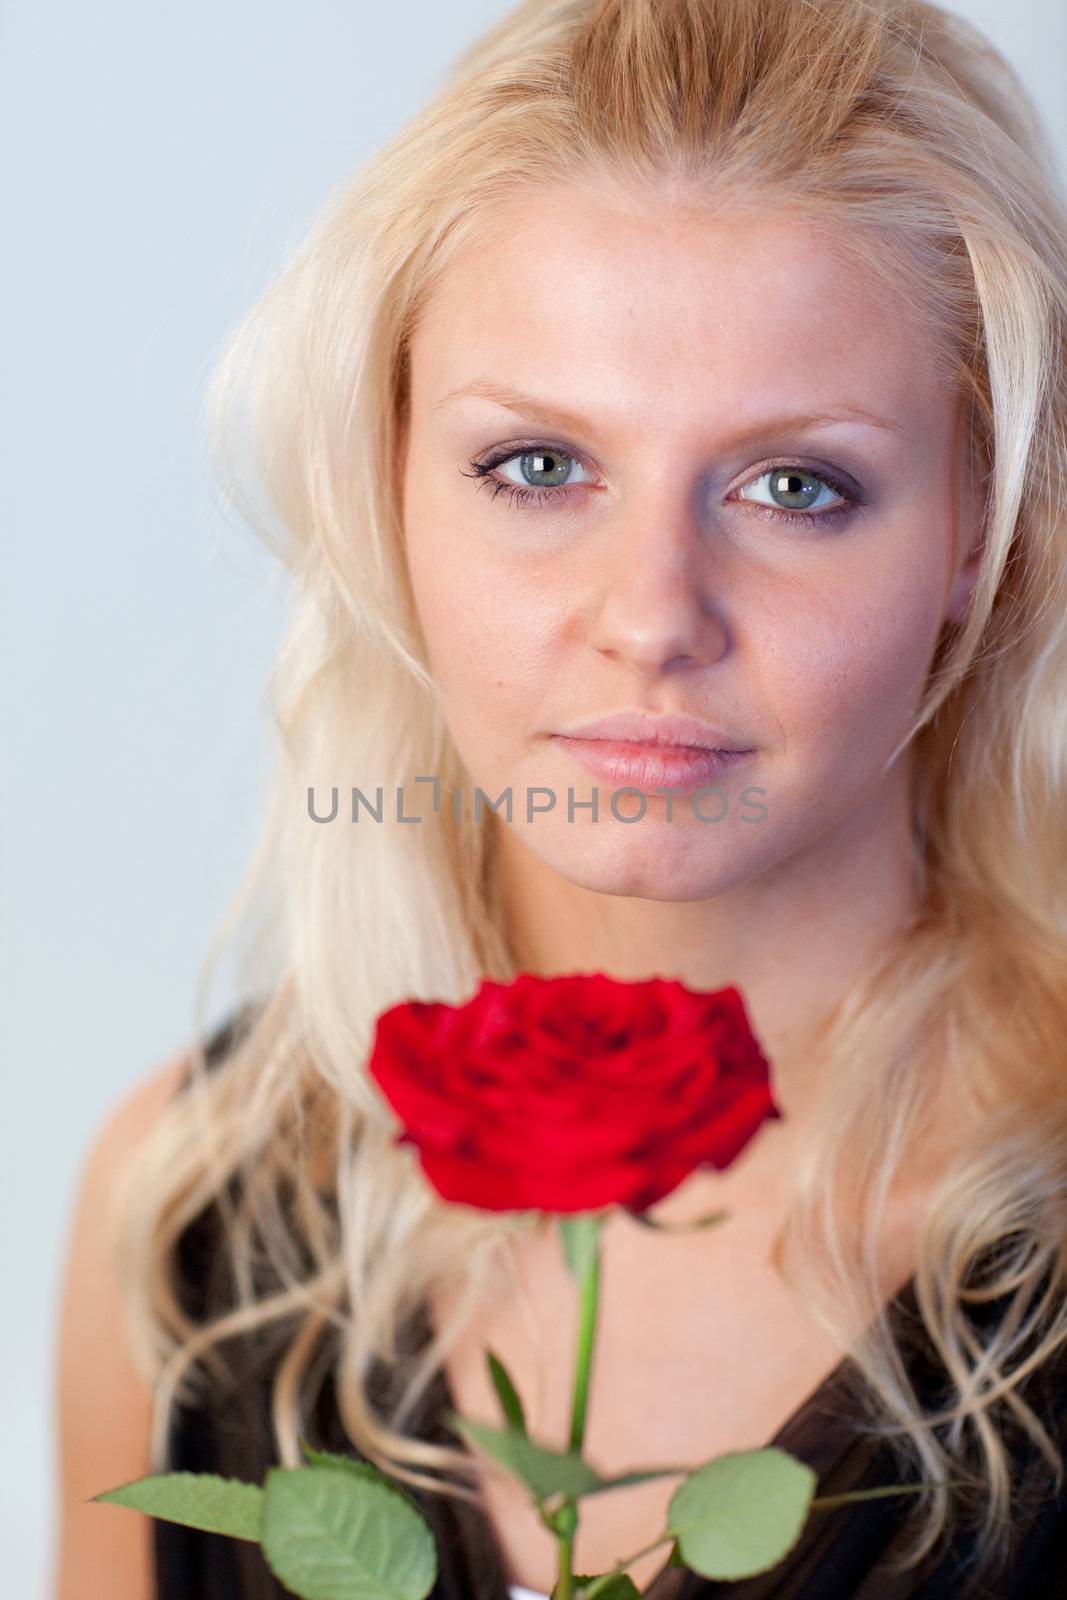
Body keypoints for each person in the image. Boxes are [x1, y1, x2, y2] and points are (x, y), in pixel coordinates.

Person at [53, 0, 1067, 1596]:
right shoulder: (189, 1216)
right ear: (385, 479)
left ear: (978, 527)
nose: (652, 613)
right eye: (536, 466)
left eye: (797, 486)